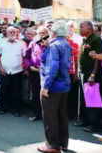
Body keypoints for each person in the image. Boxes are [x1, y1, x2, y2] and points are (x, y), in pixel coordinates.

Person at [37, 21, 71, 153]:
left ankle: (52, 145)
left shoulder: (54, 46)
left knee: (50, 116)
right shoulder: (66, 43)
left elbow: (53, 67)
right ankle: (63, 143)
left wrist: (46, 87)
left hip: (53, 86)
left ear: (54, 33)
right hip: (64, 85)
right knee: (61, 115)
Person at [79, 21, 102, 132]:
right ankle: (86, 121)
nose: (80, 29)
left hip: (92, 73)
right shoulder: (86, 39)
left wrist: (93, 75)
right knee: (86, 99)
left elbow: (97, 60)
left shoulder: (96, 39)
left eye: (81, 27)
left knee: (93, 100)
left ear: (89, 28)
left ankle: (94, 124)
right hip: (84, 72)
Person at [0, 26, 26, 117]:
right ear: (7, 33)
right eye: (10, 32)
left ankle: (15, 109)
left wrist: (24, 68)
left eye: (14, 32)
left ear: (16, 33)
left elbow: (24, 56)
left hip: (17, 71)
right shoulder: (2, 42)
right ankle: (3, 108)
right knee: (4, 90)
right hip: (5, 71)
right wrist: (1, 68)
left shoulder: (21, 44)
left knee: (16, 91)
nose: (12, 34)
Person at [25, 26, 48, 122]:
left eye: (44, 33)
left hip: (46, 73)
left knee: (46, 94)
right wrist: (30, 66)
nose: (42, 35)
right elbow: (26, 57)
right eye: (40, 33)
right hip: (35, 71)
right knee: (35, 93)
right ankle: (35, 113)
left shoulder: (50, 44)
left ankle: (45, 114)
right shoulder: (33, 43)